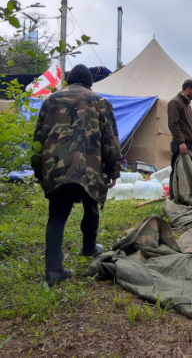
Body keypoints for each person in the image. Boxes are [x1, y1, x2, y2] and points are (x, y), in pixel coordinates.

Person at [32, 64, 122, 286]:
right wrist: (113, 170)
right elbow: (110, 139)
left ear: (69, 80)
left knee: (57, 216)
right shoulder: (99, 102)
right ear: (89, 83)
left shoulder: (50, 100)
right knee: (91, 206)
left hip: (56, 167)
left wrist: (38, 170)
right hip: (88, 168)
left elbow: (38, 138)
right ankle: (89, 247)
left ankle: (53, 271)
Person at [168, 79, 192, 200]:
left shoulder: (186, 104)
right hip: (180, 144)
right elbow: (173, 125)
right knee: (177, 172)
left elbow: (190, 125)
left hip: (188, 144)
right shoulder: (175, 103)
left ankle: (185, 197)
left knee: (187, 172)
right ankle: (173, 198)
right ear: (188, 89)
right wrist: (181, 142)